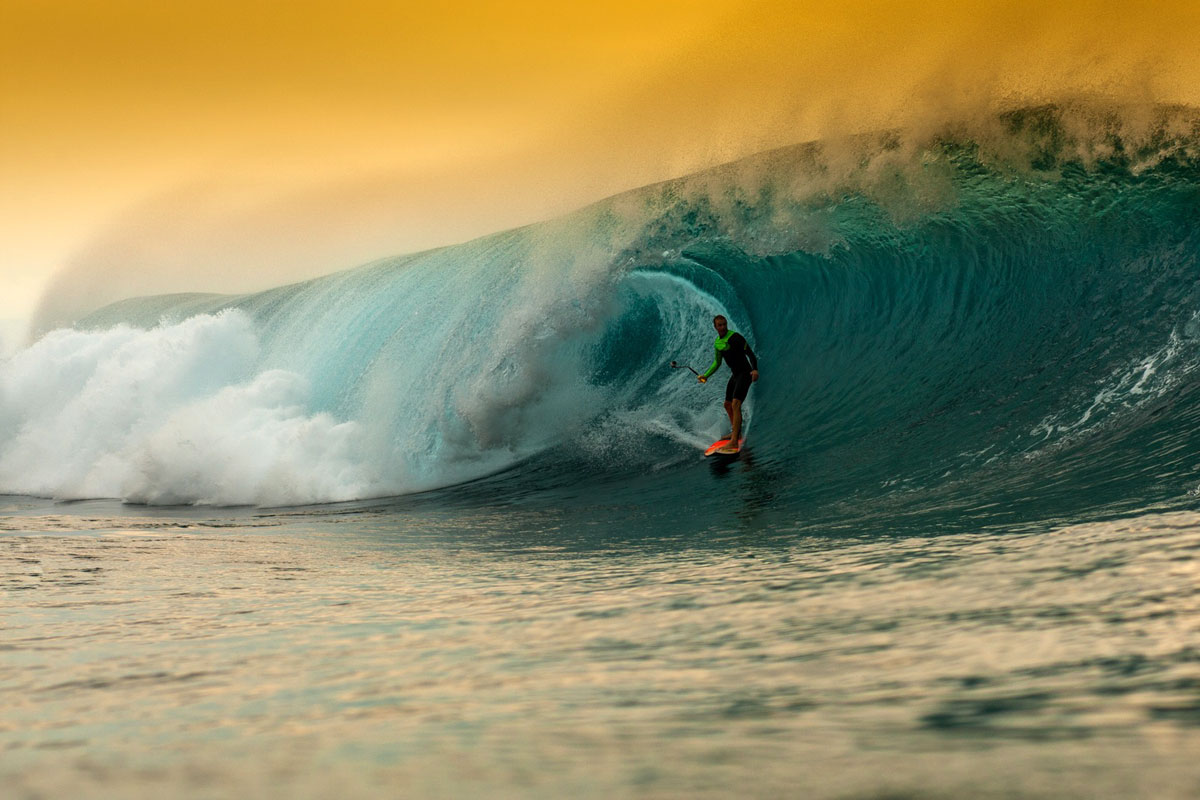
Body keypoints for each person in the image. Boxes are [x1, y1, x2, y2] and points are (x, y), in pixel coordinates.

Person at [698, 315, 758, 453]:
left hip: (745, 373)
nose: (723, 327)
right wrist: (706, 375)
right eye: (720, 325)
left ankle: (733, 442)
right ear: (715, 327)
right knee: (727, 404)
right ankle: (736, 433)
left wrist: (755, 369)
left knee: (736, 404)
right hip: (735, 375)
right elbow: (717, 363)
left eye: (724, 324)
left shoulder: (736, 338)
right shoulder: (717, 343)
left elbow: (750, 354)